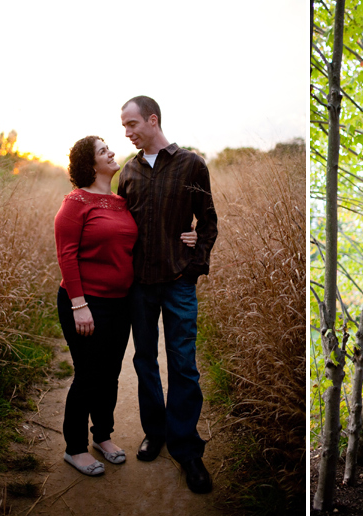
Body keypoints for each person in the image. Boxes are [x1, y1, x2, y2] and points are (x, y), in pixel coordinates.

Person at [54, 135, 196, 477]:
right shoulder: (75, 203)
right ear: (91, 164)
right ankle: (74, 448)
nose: (112, 152)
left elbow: (150, 230)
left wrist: (188, 235)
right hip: (86, 303)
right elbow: (66, 255)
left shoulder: (120, 201)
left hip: (121, 303)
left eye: (108, 148)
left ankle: (102, 436)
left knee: (111, 374)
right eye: (104, 151)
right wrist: (79, 305)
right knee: (88, 375)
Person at [118, 95, 218, 494]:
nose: (126, 132)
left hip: (178, 283)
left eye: (131, 124)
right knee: (145, 361)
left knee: (183, 364)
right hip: (140, 285)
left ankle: (187, 449)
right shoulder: (127, 173)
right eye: (123, 126)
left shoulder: (192, 164)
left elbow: (208, 221)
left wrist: (196, 259)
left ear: (152, 120)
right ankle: (155, 432)